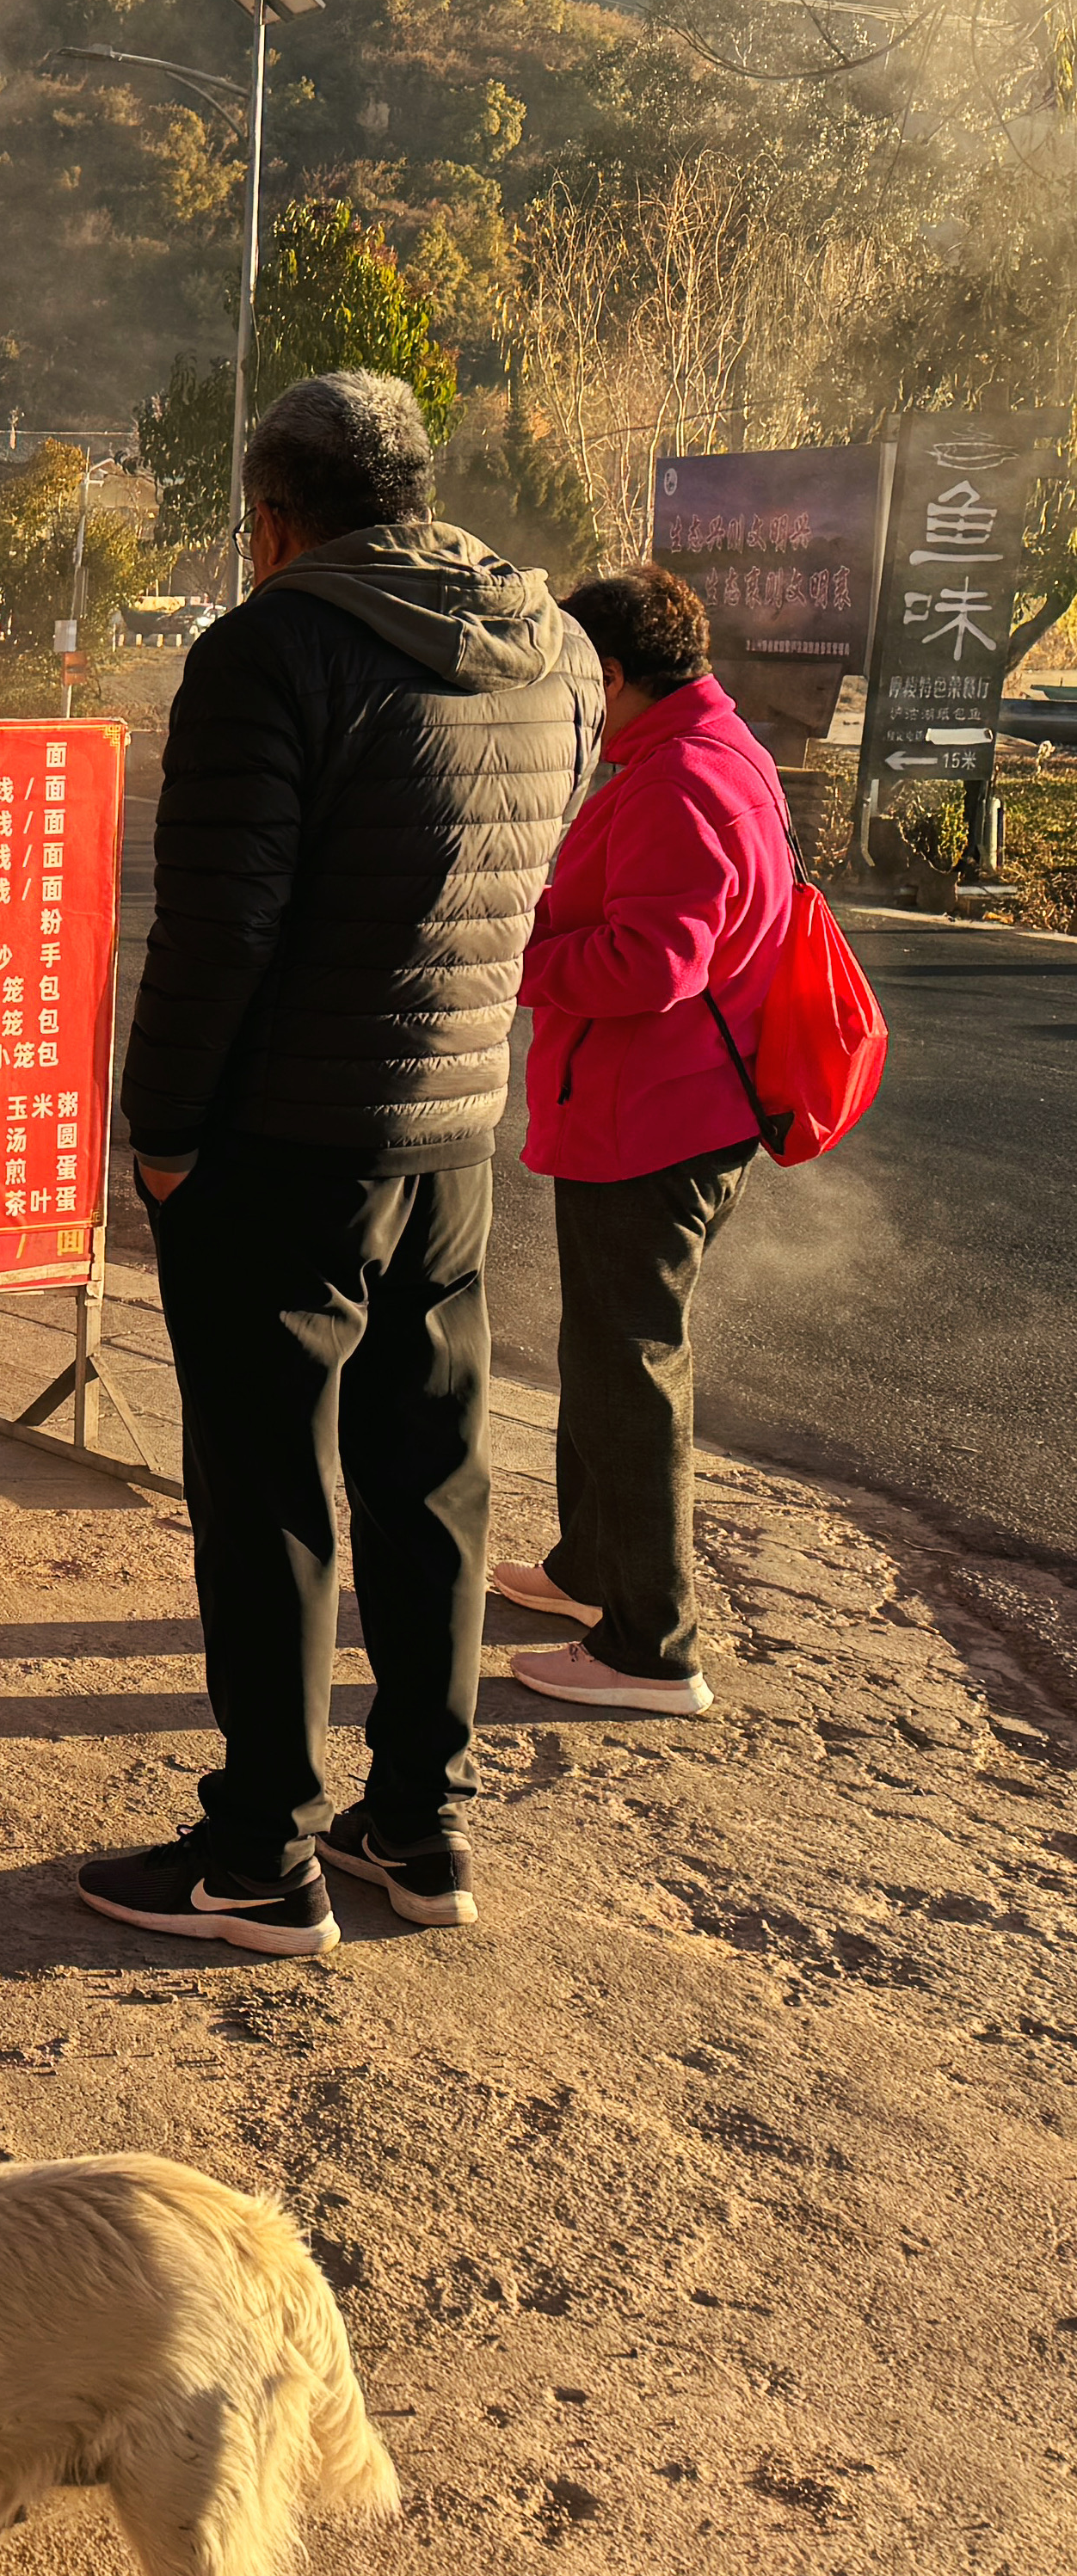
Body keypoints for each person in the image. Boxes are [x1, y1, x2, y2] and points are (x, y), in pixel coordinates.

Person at [89, 372, 596, 1953]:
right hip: (451, 1137)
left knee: (265, 1494)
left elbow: (215, 934)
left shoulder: (266, 650)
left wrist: (157, 1135)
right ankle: (418, 1826)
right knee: (429, 1476)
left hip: (280, 1150)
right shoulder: (554, 650)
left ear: (269, 515)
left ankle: (257, 1849)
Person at [496, 565, 797, 1719]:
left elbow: (652, 964)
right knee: (602, 1351)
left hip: (652, 1121)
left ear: (610, 674)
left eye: (575, 678)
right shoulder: (708, 748)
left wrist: (509, 961)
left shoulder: (675, 779)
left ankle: (650, 1646)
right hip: (661, 1110)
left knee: (631, 1368)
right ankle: (590, 1574)